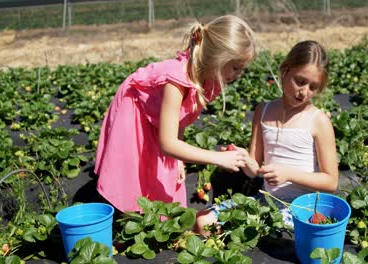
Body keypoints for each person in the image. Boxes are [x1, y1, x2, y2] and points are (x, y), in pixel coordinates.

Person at [94, 15, 256, 213]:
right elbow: (167, 144)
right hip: (135, 109)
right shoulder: (176, 81)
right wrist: (217, 158)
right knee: (134, 173)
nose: (238, 75)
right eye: (236, 67)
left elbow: (181, 117)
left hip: (155, 115)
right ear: (217, 58)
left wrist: (178, 160)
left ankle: (154, 221)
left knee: (167, 174)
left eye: (242, 69)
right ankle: (127, 219)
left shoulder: (209, 78)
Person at [194, 40, 339, 234]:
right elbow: (254, 170)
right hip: (265, 202)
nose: (304, 92)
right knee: (202, 221)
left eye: (313, 87)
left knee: (272, 238)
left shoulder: (318, 120)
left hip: (301, 209)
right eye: (300, 81)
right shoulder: (264, 111)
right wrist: (242, 158)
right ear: (285, 70)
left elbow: (331, 182)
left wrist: (288, 174)